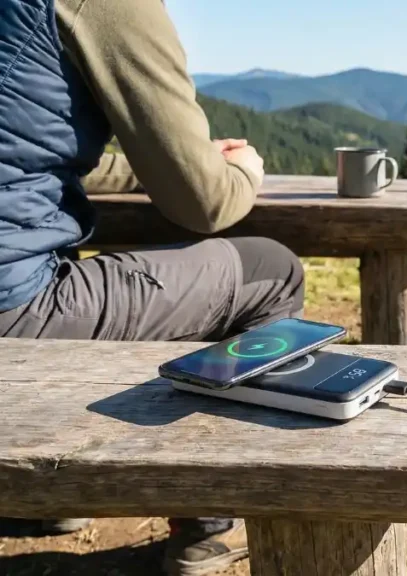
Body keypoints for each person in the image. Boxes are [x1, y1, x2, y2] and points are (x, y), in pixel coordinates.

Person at [0, 0, 306, 574]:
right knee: (270, 273)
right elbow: (205, 203)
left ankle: (55, 496)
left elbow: (23, 146)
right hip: (10, 309)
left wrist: (160, 162)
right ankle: (208, 520)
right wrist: (240, 173)